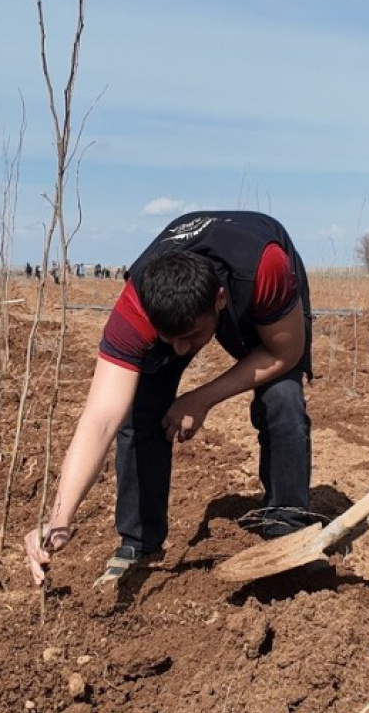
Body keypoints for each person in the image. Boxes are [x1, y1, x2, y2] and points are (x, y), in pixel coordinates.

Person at [24, 211, 314, 587]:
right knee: (139, 408)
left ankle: (286, 529)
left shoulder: (267, 267)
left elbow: (283, 354)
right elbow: (100, 419)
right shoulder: (136, 306)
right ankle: (139, 544)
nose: (180, 349)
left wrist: (203, 398)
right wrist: (59, 518)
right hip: (186, 303)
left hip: (256, 277)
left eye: (191, 336)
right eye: (168, 336)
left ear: (220, 300)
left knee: (282, 397)